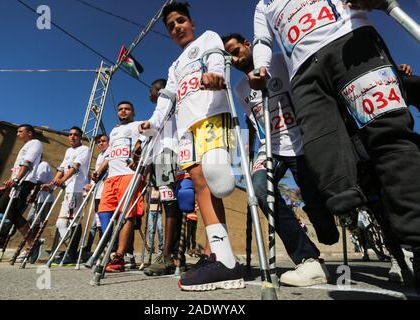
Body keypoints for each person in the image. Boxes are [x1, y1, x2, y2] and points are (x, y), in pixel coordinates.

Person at [250, 0, 420, 292]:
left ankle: (415, 243)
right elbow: (263, 39)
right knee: (324, 158)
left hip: (352, 44)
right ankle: (354, 218)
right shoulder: (263, 5)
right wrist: (260, 67)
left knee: (388, 138)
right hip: (304, 74)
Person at [140, 2, 244, 291]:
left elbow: (215, 60)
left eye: (181, 21)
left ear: (192, 22)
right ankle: (221, 259)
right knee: (200, 185)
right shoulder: (174, 66)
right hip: (186, 128)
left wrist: (214, 74)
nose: (176, 28)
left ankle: (222, 259)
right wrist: (153, 122)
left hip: (210, 114)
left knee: (218, 182)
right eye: (171, 26)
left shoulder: (208, 37)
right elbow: (167, 99)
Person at [223, 33, 334, 286]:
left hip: (300, 140)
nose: (235, 57)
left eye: (236, 49)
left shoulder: (278, 61)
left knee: (322, 215)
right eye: (230, 55)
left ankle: (323, 220)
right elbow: (253, 121)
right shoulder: (240, 90)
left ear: (248, 45)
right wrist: (250, 155)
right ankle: (308, 259)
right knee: (261, 188)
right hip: (269, 146)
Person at [137, 79, 195, 277]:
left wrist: (147, 128)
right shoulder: (171, 107)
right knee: (173, 205)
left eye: (150, 90)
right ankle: (177, 256)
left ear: (158, 89)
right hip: (167, 154)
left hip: (167, 154)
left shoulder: (166, 98)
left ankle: (167, 256)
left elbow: (157, 122)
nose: (149, 94)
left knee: (170, 205)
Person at [92, 101, 146, 273]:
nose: (123, 111)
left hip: (128, 175)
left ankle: (119, 257)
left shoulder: (138, 125)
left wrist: (137, 152)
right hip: (111, 177)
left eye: (127, 109)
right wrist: (99, 170)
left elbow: (148, 135)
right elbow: (109, 154)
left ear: (133, 112)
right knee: (103, 212)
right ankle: (110, 246)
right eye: (120, 109)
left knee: (126, 215)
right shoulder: (114, 131)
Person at [42, 127, 90, 265]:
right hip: (68, 190)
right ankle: (71, 250)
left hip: (77, 189)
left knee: (73, 221)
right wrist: (52, 184)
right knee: (61, 223)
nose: (72, 137)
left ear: (80, 137)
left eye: (75, 135)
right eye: (70, 134)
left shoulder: (84, 149)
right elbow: (61, 169)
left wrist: (62, 181)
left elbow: (76, 167)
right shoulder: (68, 151)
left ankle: (71, 253)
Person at [82, 134, 109, 254]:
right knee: (98, 221)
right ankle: (100, 246)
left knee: (104, 220)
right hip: (98, 192)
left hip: (106, 190)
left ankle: (105, 246)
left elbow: (100, 171)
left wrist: (96, 174)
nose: (101, 143)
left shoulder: (110, 151)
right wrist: (91, 186)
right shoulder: (99, 156)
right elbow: (95, 175)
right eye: (98, 142)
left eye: (103, 141)